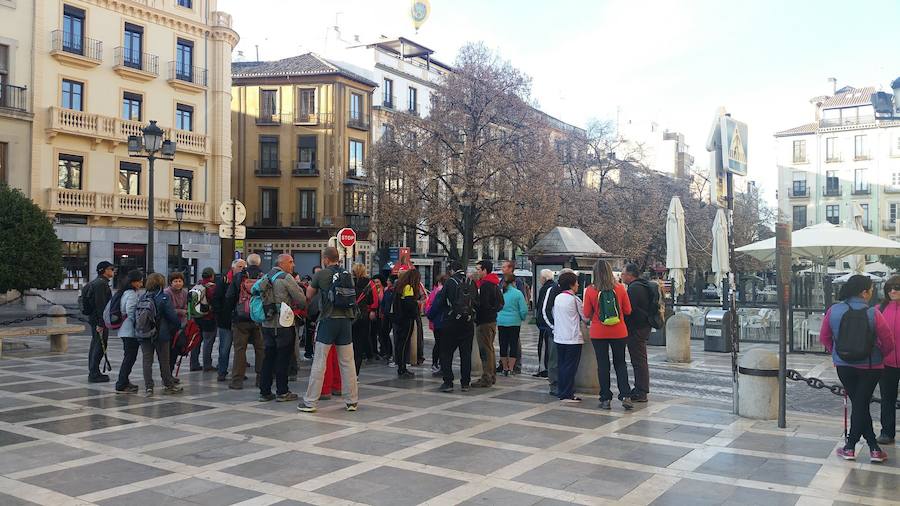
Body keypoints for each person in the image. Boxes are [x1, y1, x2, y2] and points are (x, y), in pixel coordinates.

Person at [821, 274, 894, 462]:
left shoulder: (834, 310)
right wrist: (880, 356)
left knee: (860, 405)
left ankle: (855, 447)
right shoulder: (873, 312)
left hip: (844, 366)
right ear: (864, 292)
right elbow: (888, 341)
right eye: (870, 290)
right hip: (871, 366)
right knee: (861, 405)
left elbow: (825, 337)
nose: (871, 293)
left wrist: (837, 354)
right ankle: (865, 448)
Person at [298, 247, 360, 413]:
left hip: (328, 320)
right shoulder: (347, 274)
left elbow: (309, 296)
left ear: (325, 259)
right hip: (345, 322)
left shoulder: (321, 274)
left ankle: (310, 402)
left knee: (320, 361)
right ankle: (352, 401)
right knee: (347, 362)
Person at [583, 259, 633, 410]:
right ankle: (625, 395)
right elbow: (628, 310)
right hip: (619, 331)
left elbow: (586, 313)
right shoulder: (620, 288)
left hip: (598, 332)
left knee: (603, 365)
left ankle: (605, 398)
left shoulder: (590, 290)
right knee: (620, 363)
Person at [259, 254, 306, 402]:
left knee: (268, 357)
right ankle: (282, 391)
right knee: (283, 358)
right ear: (282, 263)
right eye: (291, 262)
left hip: (267, 323)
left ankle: (265, 392)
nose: (293, 265)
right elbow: (301, 299)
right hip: (283, 324)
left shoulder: (266, 276)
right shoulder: (286, 277)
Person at [435, 261, 475, 393]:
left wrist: (431, 315)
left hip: (452, 322)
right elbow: (476, 303)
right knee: (466, 354)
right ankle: (465, 383)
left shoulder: (450, 282)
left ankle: (448, 382)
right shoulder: (470, 281)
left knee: (446, 353)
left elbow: (440, 301)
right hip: (468, 324)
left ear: (451, 270)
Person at [142, 273, 184, 396]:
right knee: (164, 360)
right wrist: (174, 328)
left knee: (147, 361)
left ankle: (149, 387)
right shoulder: (164, 297)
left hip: (144, 333)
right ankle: (168, 384)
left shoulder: (143, 297)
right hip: (161, 333)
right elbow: (173, 317)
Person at [226, 254, 264, 390]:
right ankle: (261, 379)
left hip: (240, 318)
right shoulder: (263, 276)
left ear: (247, 263)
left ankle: (237, 381)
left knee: (240, 350)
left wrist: (233, 313)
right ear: (259, 263)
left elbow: (230, 297)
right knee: (260, 349)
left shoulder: (239, 277)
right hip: (258, 319)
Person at [620, 263, 654, 403]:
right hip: (643, 326)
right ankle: (640, 389)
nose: (621, 276)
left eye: (623, 273)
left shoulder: (634, 289)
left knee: (638, 360)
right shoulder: (643, 285)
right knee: (640, 359)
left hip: (636, 329)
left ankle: (641, 391)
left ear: (630, 275)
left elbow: (629, 310)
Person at [553, 271, 585, 403]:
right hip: (572, 337)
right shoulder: (574, 299)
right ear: (572, 284)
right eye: (576, 282)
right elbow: (585, 316)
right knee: (570, 367)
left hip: (559, 337)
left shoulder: (558, 297)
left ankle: (562, 391)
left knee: (562, 365)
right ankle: (567, 393)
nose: (578, 284)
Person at [472, 260, 503, 388]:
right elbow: (501, 302)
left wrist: (477, 310)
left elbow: (482, 305)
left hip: (484, 322)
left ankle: (487, 377)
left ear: (485, 270)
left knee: (485, 350)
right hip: (491, 320)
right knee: (489, 349)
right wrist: (493, 311)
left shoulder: (485, 285)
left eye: (479, 269)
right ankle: (491, 375)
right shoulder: (494, 283)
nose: (477, 272)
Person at [877, 275, 900, 445]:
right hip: (886, 363)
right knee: (887, 399)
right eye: (889, 288)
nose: (893, 291)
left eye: (897, 287)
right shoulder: (879, 309)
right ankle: (887, 432)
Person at [114, 270, 145, 393]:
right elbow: (130, 310)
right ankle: (121, 383)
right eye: (140, 281)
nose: (141, 283)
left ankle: (124, 381)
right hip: (129, 330)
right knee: (129, 358)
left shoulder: (124, 292)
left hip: (125, 329)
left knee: (129, 357)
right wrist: (138, 325)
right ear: (134, 282)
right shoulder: (131, 293)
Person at [214, 259, 245, 382]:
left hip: (239, 320)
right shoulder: (224, 281)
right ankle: (222, 371)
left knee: (240, 348)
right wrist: (221, 315)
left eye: (244, 266)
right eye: (239, 266)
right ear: (233, 268)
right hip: (226, 320)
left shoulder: (245, 281)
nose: (242, 269)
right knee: (224, 348)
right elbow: (217, 299)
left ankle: (239, 371)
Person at [86, 261, 114, 382]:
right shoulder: (101, 284)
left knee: (96, 344)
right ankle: (94, 373)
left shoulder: (99, 283)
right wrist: (101, 323)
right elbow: (100, 305)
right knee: (100, 345)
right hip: (98, 320)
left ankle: (94, 371)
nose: (113, 270)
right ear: (104, 270)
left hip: (96, 319)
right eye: (111, 268)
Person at [392, 269, 422, 379]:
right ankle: (402, 368)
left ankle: (401, 367)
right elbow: (409, 304)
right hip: (407, 319)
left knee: (400, 344)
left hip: (399, 319)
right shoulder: (408, 288)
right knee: (404, 344)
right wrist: (416, 308)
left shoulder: (400, 287)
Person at [497, 273, 528, 376]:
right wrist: (522, 317)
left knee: (503, 344)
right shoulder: (518, 293)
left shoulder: (501, 292)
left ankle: (504, 368)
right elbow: (523, 309)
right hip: (514, 322)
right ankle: (510, 368)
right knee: (513, 345)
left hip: (501, 321)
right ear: (514, 282)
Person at [191, 267, 218, 372]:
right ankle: (207, 365)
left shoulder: (197, 285)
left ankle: (194, 363)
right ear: (212, 276)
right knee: (208, 342)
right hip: (208, 318)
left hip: (197, 317)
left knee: (196, 341)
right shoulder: (212, 287)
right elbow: (214, 301)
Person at [351, 263, 376, 374]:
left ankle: (348, 372)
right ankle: (356, 372)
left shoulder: (349, 282)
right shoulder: (370, 283)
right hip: (363, 316)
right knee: (359, 345)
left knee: (348, 343)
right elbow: (373, 301)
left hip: (350, 316)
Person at [501, 260, 525, 374]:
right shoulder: (502, 281)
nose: (502, 269)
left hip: (503, 319)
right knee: (510, 343)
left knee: (510, 343)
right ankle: (507, 366)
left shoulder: (517, 281)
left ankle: (514, 366)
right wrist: (521, 317)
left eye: (504, 267)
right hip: (514, 320)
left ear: (511, 268)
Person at [535, 269, 559, 381]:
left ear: (544, 278)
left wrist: (541, 321)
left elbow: (542, 307)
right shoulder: (554, 287)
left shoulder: (546, 288)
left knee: (544, 347)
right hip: (549, 324)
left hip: (545, 324)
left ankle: (544, 369)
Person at [164, 271, 189, 371]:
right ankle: (168, 373)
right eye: (175, 281)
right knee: (170, 350)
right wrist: (181, 311)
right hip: (170, 325)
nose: (178, 283)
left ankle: (171, 372)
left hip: (181, 325)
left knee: (178, 349)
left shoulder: (184, 292)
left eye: (180, 281)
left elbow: (187, 306)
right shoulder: (167, 292)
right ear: (171, 282)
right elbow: (168, 309)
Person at [425, 274, 447, 375]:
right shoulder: (440, 292)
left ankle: (436, 363)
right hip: (441, 321)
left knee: (439, 344)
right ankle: (438, 364)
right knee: (441, 344)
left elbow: (430, 306)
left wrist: (430, 316)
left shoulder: (435, 292)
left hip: (436, 321)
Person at [305, 265, 323, 360]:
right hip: (311, 312)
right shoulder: (311, 285)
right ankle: (308, 352)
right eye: (316, 273)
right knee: (309, 333)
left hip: (322, 312)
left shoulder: (325, 284)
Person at [379, 275, 397, 363]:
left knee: (394, 334)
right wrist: (382, 311)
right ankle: (387, 351)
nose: (387, 282)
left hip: (392, 315)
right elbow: (383, 302)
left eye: (389, 280)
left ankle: (392, 354)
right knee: (384, 333)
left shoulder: (395, 291)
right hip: (386, 315)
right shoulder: (387, 291)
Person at [370, 275, 385, 361]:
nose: (376, 284)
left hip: (381, 315)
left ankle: (383, 350)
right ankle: (375, 350)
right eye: (375, 282)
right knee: (373, 334)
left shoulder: (384, 290)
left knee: (382, 334)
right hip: (375, 316)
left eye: (377, 282)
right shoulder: (373, 290)